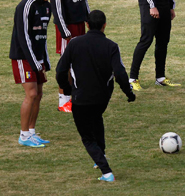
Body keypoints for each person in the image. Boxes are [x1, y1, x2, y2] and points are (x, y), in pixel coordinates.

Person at [56, 10, 136, 182]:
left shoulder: (75, 43)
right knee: (96, 118)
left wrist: (66, 89)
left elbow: (60, 70)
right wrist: (129, 93)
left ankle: (106, 172)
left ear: (86, 25)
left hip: (80, 99)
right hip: (102, 99)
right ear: (104, 25)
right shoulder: (111, 46)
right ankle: (102, 155)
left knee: (87, 137)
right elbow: (121, 74)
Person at [10, 0, 54, 148]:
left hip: (37, 58)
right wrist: (34, 61)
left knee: (39, 94)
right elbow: (23, 36)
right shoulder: (26, 5)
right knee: (31, 94)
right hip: (23, 56)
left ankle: (31, 132)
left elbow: (42, 37)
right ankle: (23, 135)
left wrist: (45, 60)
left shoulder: (47, 8)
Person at [52, 0, 90, 113]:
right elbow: (56, 5)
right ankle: (63, 100)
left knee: (78, 60)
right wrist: (63, 29)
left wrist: (89, 19)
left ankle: (75, 97)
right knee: (65, 63)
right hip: (66, 26)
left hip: (80, 23)